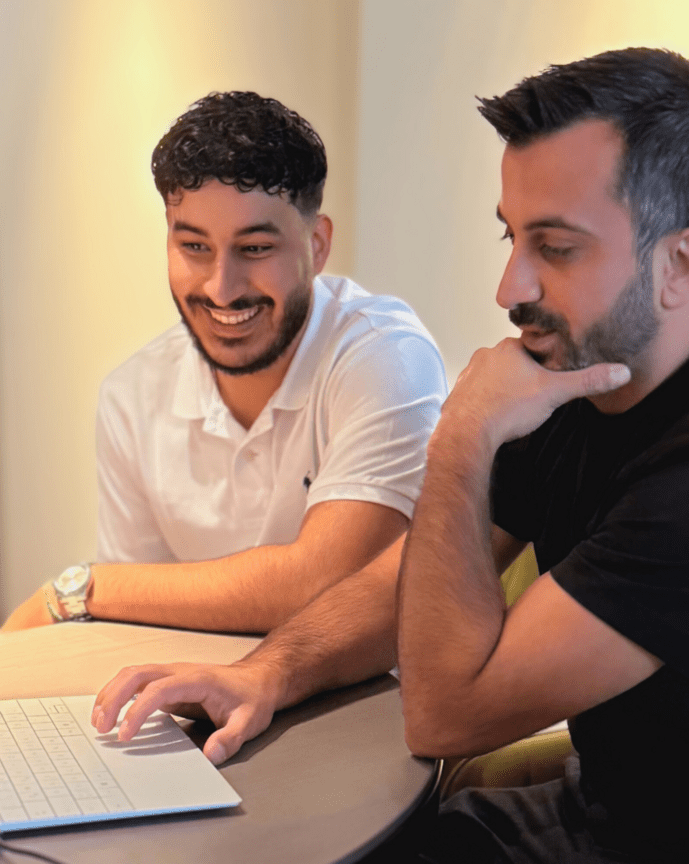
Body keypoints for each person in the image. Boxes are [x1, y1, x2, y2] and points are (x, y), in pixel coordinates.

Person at [92, 47, 689, 862]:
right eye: (510, 237)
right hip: (599, 808)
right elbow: (400, 580)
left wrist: (461, 437)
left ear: (678, 266)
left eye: (554, 248)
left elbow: (447, 714)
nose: (508, 287)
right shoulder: (572, 388)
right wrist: (270, 672)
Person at [1, 92, 446, 634]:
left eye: (255, 249)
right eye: (194, 247)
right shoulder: (133, 396)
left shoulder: (384, 356)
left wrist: (88, 587)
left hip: (371, 703)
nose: (221, 288)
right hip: (200, 700)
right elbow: (129, 628)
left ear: (318, 244)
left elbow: (326, 584)